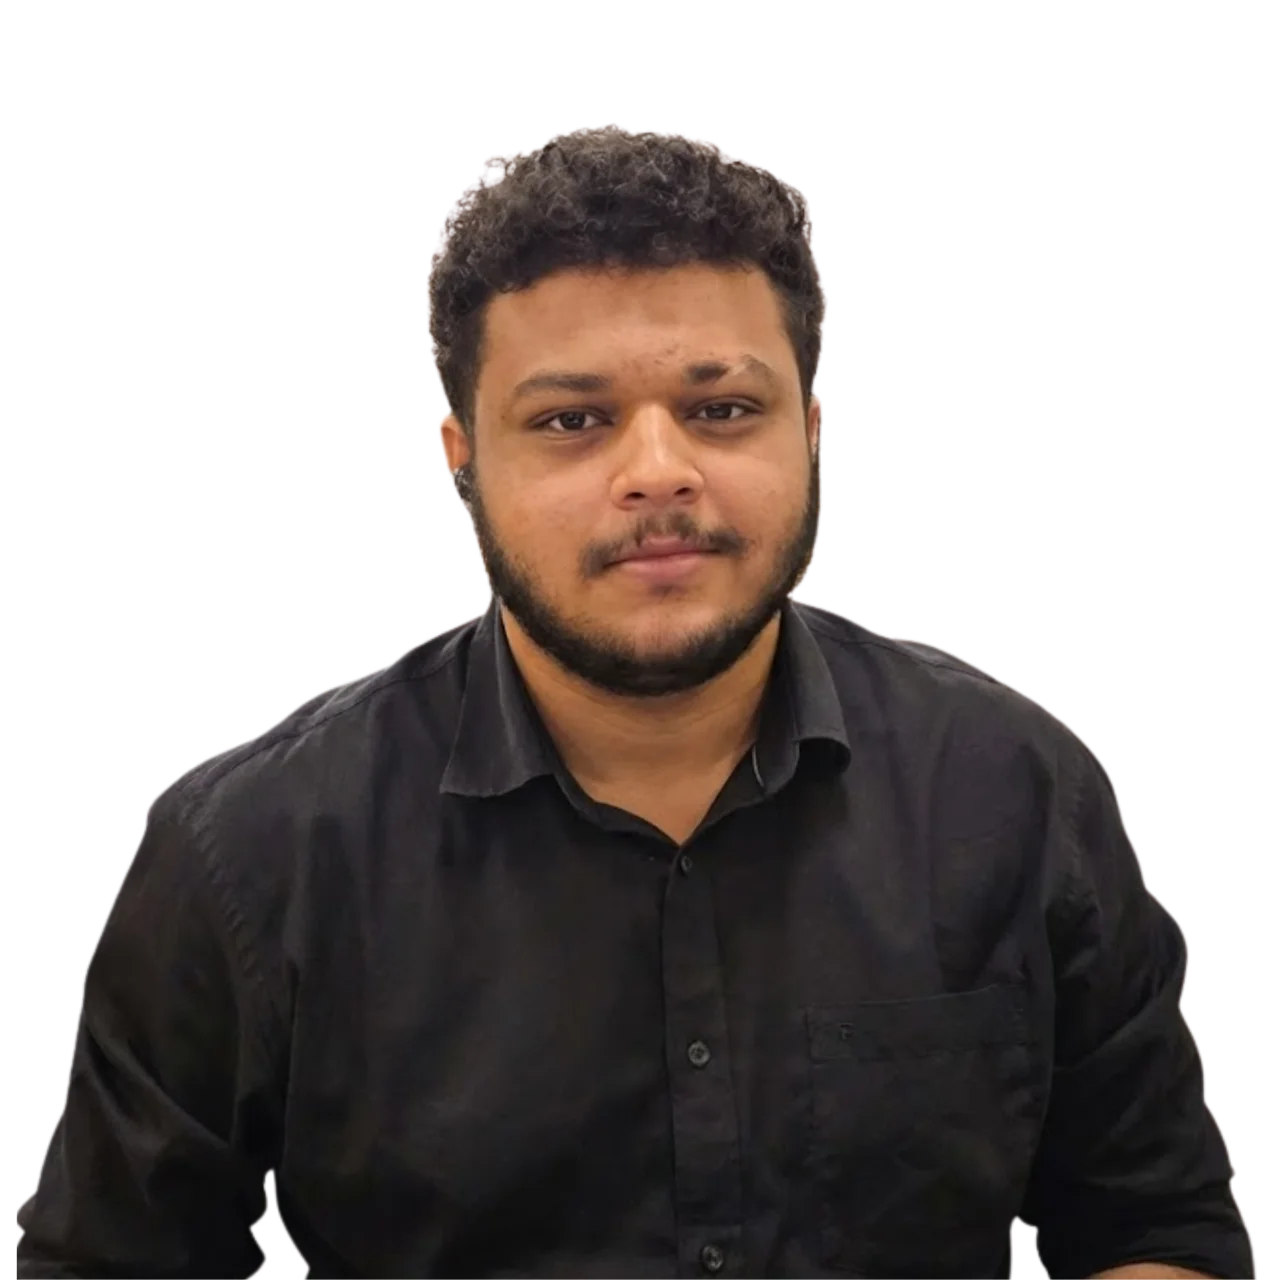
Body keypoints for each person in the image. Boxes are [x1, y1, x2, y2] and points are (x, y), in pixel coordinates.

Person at [17, 126, 1253, 1279]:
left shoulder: (1015, 788)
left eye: (721, 410)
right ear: (460, 460)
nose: (657, 471)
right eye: (572, 419)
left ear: (810, 435)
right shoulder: (245, 857)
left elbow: (1155, 1225)